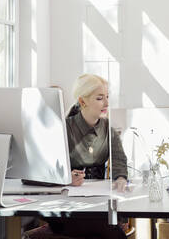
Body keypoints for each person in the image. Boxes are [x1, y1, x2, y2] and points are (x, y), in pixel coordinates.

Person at [47, 74, 128, 239]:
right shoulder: (64, 129)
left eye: (107, 97)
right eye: (100, 98)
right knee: (114, 234)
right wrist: (66, 178)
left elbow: (119, 160)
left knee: (110, 229)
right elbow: (46, 168)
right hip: (67, 207)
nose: (106, 103)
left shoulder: (108, 129)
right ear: (82, 101)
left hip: (98, 203)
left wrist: (121, 178)